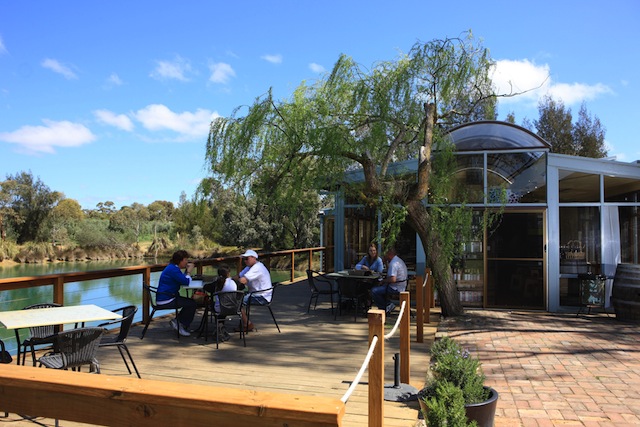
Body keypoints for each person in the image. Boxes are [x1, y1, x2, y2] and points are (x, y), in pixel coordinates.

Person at [156, 250, 197, 337]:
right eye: (185, 260)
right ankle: (179, 324)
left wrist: (186, 273)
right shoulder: (173, 270)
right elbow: (186, 282)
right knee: (192, 304)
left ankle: (179, 322)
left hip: (166, 296)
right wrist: (189, 271)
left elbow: (182, 279)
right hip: (166, 299)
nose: (186, 262)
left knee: (190, 302)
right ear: (180, 260)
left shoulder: (172, 267)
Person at [234, 249, 272, 332]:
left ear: (253, 258)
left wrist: (230, 284)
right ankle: (244, 323)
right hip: (255, 293)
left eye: (247, 259)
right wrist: (227, 280)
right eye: (244, 259)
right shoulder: (249, 267)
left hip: (262, 296)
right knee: (237, 298)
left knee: (237, 301)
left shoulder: (257, 268)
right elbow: (239, 276)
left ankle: (247, 324)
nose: (245, 261)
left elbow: (243, 280)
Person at [370, 247, 408, 314]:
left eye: (386, 254)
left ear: (390, 254)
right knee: (379, 288)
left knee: (374, 291)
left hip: (395, 288)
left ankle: (386, 306)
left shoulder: (393, 264)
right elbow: (390, 273)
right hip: (401, 285)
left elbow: (393, 279)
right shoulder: (397, 260)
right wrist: (386, 263)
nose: (385, 256)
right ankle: (387, 305)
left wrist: (383, 281)